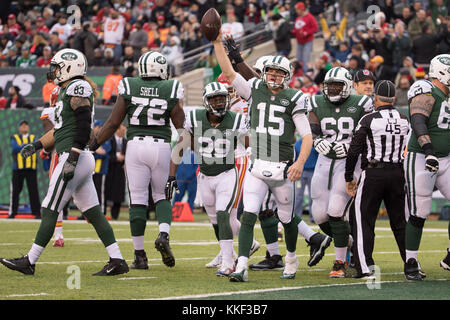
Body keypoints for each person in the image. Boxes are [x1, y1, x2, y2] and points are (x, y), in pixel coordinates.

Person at [0, 48, 129, 276]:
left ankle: (29, 260)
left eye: (58, 67)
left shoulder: (78, 87)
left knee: (50, 207)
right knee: (94, 212)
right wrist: (37, 145)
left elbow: (82, 125)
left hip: (74, 156)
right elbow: (59, 130)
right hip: (76, 155)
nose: (55, 71)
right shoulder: (64, 90)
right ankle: (117, 259)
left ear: (70, 67)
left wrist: (73, 155)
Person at [212, 29, 315, 282]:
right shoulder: (255, 88)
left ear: (288, 76)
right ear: (264, 73)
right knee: (248, 215)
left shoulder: (295, 99)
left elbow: (307, 136)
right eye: (271, 71)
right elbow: (228, 72)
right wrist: (217, 43)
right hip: (257, 163)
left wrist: (300, 163)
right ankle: (242, 266)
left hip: (283, 166)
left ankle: (290, 258)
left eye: (279, 73)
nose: (274, 76)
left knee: (287, 218)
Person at [89, 51, 185, 270]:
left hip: (135, 146)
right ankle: (163, 234)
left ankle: (139, 255)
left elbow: (113, 123)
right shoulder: (170, 88)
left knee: (138, 200)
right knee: (162, 196)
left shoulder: (129, 85)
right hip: (160, 146)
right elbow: (184, 132)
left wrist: (94, 146)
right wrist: (174, 169)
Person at [168, 82, 249, 277]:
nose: (219, 102)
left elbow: (252, 144)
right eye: (215, 99)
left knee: (223, 214)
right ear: (206, 101)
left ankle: (229, 263)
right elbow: (181, 146)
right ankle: (228, 255)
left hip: (227, 173)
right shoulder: (194, 118)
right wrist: (171, 176)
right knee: (215, 220)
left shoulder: (237, 120)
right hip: (204, 175)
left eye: (222, 98)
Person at [309, 67, 374, 278]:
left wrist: (351, 147)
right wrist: (317, 140)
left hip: (349, 161)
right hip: (324, 159)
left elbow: (369, 133)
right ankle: (346, 240)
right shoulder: (316, 102)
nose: (333, 90)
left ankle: (340, 261)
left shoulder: (361, 103)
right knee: (319, 214)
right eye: (330, 86)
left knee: (336, 209)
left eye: (338, 86)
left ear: (347, 87)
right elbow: (312, 127)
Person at [345, 80, 410, 278]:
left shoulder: (368, 119)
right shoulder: (404, 119)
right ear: (395, 98)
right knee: (401, 223)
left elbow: (355, 149)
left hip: (373, 173)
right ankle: (411, 264)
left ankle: (364, 267)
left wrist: (349, 176)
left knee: (363, 221)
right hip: (398, 173)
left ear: (375, 98)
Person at [403, 54, 450, 280]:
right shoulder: (427, 89)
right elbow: (418, 120)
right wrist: (429, 150)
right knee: (419, 211)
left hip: (446, 158)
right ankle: (410, 261)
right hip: (422, 156)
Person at [40, 85, 68, 247]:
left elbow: (51, 137)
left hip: (61, 153)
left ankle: (57, 235)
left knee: (54, 195)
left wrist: (43, 149)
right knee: (85, 199)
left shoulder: (51, 112)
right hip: (81, 152)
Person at [8, 120, 41, 219]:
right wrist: (28, 146)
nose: (24, 127)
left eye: (26, 125)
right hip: (18, 168)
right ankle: (13, 212)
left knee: (33, 191)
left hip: (31, 168)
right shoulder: (15, 137)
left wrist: (22, 147)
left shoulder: (33, 137)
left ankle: (36, 213)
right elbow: (14, 149)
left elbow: (34, 148)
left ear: (28, 127)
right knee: (16, 191)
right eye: (22, 125)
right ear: (19, 128)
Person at [294, 136, 318, 224]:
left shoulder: (313, 143)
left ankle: (314, 217)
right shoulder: (298, 144)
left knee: (313, 195)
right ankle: (296, 217)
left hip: (312, 172)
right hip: (301, 172)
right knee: (298, 195)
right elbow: (295, 157)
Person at [105, 124, 127, 220]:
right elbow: (106, 155)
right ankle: (103, 213)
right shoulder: (109, 141)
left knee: (118, 194)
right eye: (122, 130)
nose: (123, 132)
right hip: (109, 170)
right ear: (117, 130)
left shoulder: (126, 142)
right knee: (106, 192)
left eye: (124, 131)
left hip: (120, 172)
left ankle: (115, 216)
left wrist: (125, 161)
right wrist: (115, 158)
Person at [92, 120, 112, 215]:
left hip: (101, 168)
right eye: (97, 127)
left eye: (100, 127)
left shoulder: (105, 138)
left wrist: (94, 149)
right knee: (91, 191)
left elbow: (103, 152)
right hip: (91, 168)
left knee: (100, 191)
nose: (99, 129)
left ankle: (102, 211)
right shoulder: (91, 138)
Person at [292, 2, 318, 67]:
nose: (296, 11)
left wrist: (306, 32)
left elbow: (315, 28)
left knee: (306, 60)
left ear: (301, 9)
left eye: (297, 9)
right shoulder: (297, 18)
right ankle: (299, 75)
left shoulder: (310, 17)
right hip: (299, 42)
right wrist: (292, 32)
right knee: (299, 60)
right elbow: (296, 29)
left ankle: (306, 75)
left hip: (308, 41)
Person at [172, 149, 198, 214]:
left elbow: (197, 166)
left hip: (192, 179)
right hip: (181, 178)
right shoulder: (181, 150)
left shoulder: (197, 152)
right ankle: (175, 213)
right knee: (178, 197)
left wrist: (192, 175)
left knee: (191, 198)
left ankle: (188, 214)